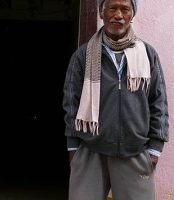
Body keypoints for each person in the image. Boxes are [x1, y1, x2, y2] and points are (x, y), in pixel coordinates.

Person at [62, 0, 169, 200]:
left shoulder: (147, 54)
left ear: (132, 15)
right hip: (90, 149)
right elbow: (71, 101)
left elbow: (158, 101)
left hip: (135, 151)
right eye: (112, 8)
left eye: (124, 9)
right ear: (102, 13)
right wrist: (73, 146)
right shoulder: (83, 55)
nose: (118, 15)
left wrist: (155, 147)